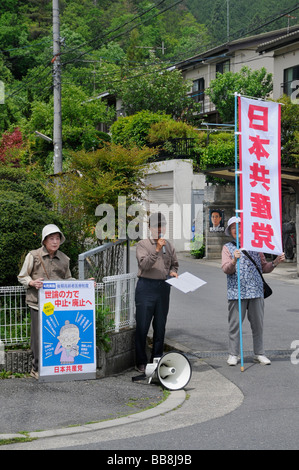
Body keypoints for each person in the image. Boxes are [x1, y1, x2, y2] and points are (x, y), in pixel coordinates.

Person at [222, 216, 285, 367]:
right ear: (230, 232)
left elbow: (263, 267)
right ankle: (233, 354)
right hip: (237, 292)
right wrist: (233, 260)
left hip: (256, 291)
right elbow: (226, 269)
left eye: (241, 228)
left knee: (258, 324)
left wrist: (275, 262)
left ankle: (259, 353)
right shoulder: (228, 248)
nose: (238, 231)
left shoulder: (256, 246)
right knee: (235, 325)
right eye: (234, 228)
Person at [18, 224, 75, 379]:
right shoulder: (33, 256)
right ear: (44, 240)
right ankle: (36, 368)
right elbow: (22, 276)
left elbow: (69, 279)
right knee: (37, 337)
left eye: (57, 238)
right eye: (51, 238)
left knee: (56, 335)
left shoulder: (64, 259)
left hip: (58, 305)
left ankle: (54, 366)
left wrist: (86, 284)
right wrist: (32, 283)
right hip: (37, 303)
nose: (55, 242)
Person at [135, 212, 179, 373]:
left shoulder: (169, 245)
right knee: (142, 325)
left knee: (160, 326)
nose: (160, 229)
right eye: (156, 226)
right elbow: (145, 265)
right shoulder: (143, 245)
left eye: (162, 225)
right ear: (150, 228)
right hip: (145, 287)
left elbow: (174, 264)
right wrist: (157, 249)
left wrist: (173, 272)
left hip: (163, 288)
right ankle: (140, 361)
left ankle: (157, 358)